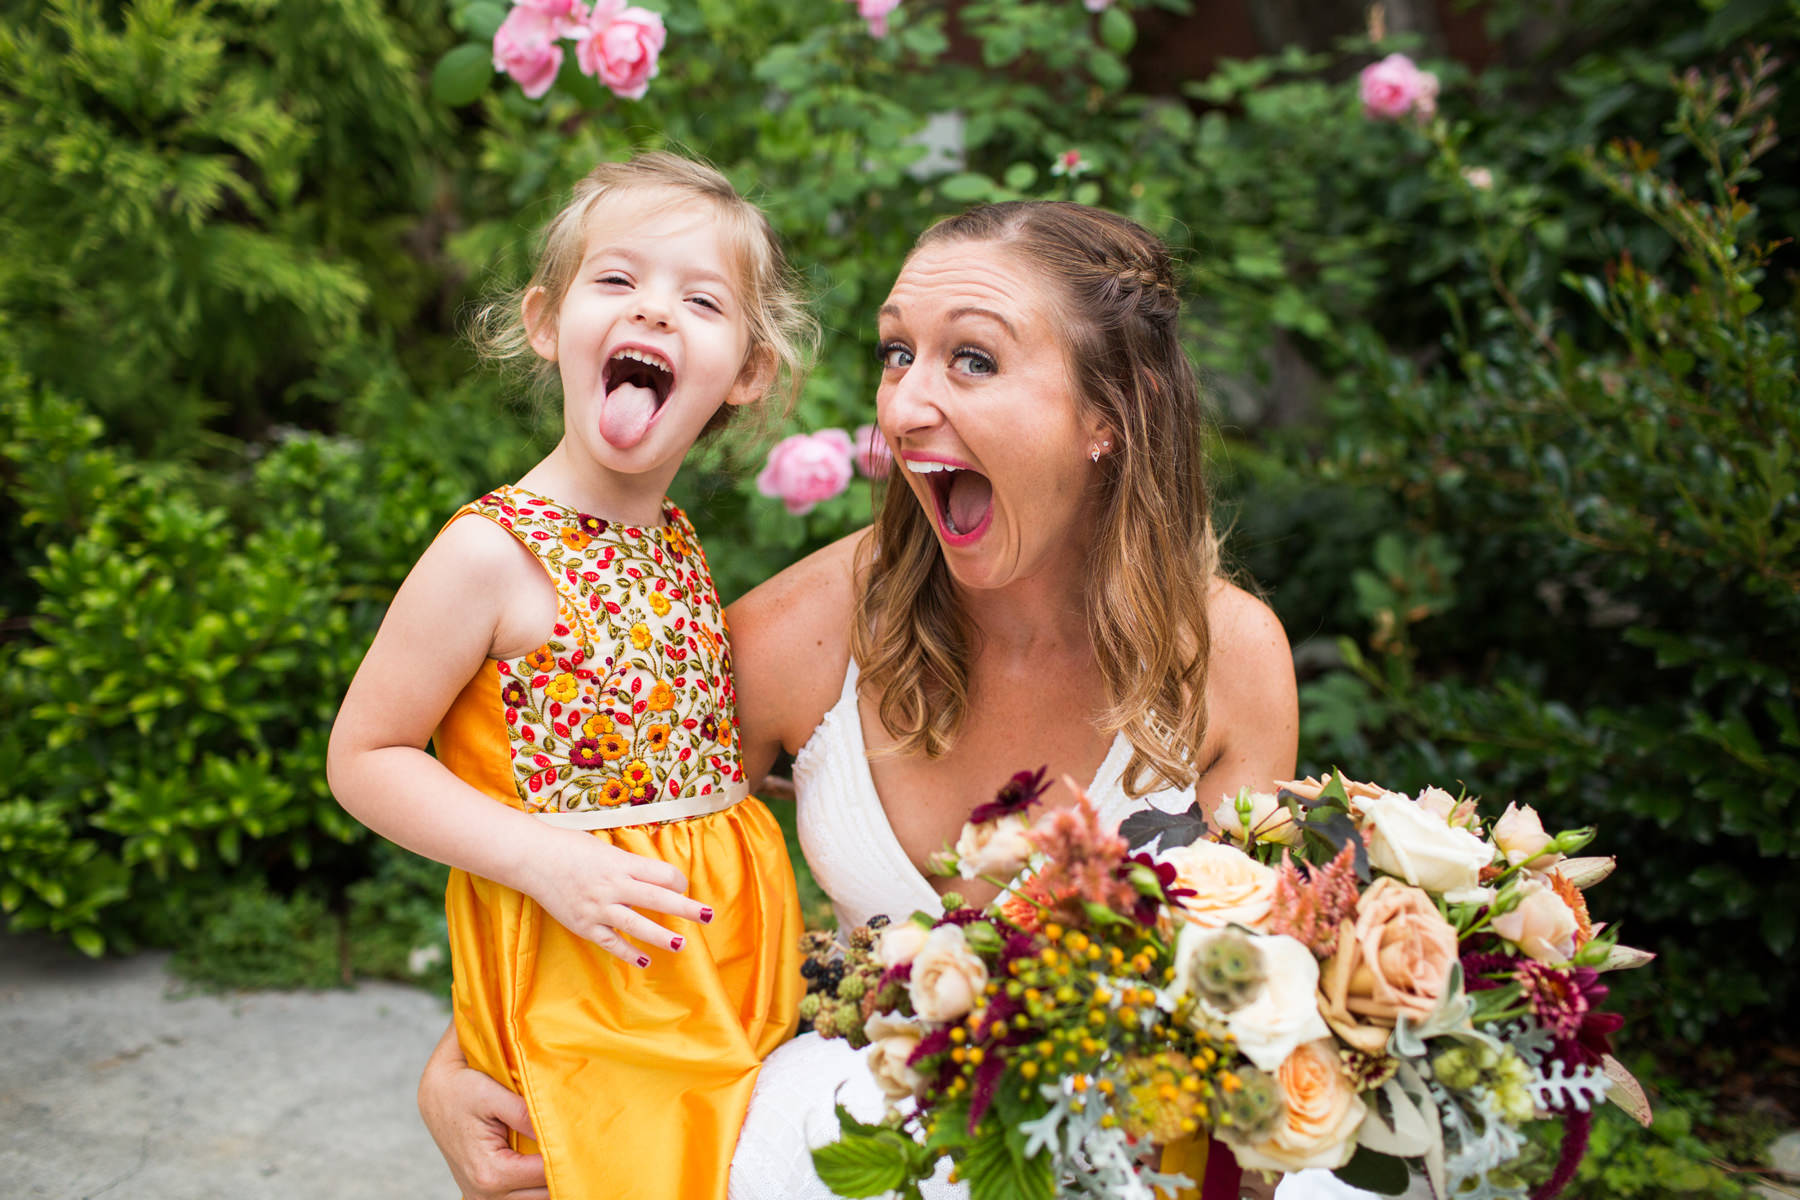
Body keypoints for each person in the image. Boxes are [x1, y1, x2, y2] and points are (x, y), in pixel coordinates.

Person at [416, 200, 1303, 1200]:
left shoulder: (1226, 661)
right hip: (840, 1154)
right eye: (896, 355)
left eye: (973, 360)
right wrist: (457, 1064)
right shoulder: (799, 638)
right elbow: (621, 843)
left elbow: (1252, 1009)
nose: (906, 407)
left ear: (1112, 412)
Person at [327, 152, 817, 1200]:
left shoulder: (673, 540)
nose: (653, 312)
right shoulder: (489, 554)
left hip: (714, 959)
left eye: (700, 299)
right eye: (617, 281)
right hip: (579, 972)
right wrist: (543, 862)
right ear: (547, 323)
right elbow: (365, 757)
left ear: (748, 373)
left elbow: (648, 749)